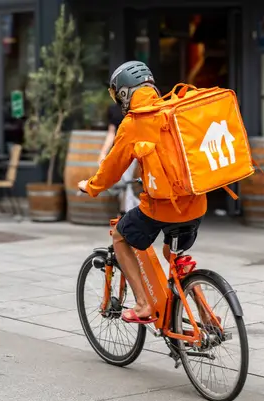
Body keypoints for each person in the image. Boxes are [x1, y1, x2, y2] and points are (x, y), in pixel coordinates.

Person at [78, 61, 206, 324]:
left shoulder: (134, 122)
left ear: (124, 93)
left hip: (163, 207)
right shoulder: (173, 110)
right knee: (173, 256)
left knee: (120, 237)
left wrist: (91, 186)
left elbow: (112, 168)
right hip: (196, 204)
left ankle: (142, 304)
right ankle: (207, 316)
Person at [99, 103, 139, 212]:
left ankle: (126, 213)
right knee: (123, 184)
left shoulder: (135, 107)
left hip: (133, 150)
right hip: (117, 151)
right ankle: (127, 213)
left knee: (126, 182)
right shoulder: (113, 109)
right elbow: (111, 133)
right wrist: (103, 153)